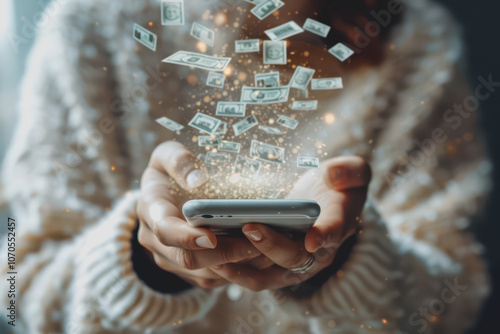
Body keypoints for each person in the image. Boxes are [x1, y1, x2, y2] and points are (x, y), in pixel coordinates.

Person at [0, 0, 492, 333]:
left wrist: (339, 260)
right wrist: (145, 262)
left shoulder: (411, 37)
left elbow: (456, 298)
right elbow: (17, 289)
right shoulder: (88, 21)